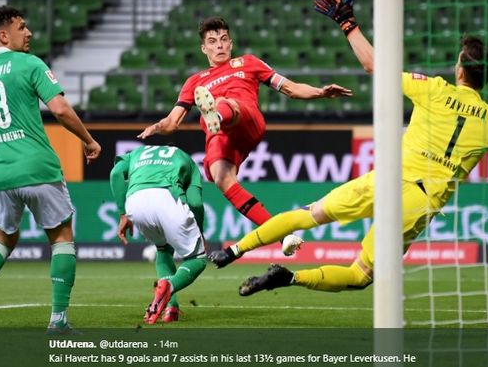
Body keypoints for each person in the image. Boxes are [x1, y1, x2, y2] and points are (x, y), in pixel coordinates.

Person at [209, 0, 488, 296]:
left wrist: (348, 25)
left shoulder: (434, 89)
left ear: (459, 69)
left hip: (386, 178)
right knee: (360, 275)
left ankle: (235, 249)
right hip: (419, 199)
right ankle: (291, 278)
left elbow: (374, 66)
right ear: (485, 78)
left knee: (309, 215)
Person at [0, 5, 102, 334]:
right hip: (37, 168)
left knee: (1, 239)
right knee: (61, 238)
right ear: (4, 35)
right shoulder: (30, 64)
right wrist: (88, 139)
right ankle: (58, 320)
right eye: (22, 27)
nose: (28, 33)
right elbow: (61, 109)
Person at [138, 17, 352, 255]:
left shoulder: (248, 63)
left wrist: (320, 92)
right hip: (220, 136)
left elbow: (290, 88)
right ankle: (283, 236)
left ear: (230, 43)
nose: (219, 45)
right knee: (221, 178)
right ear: (204, 48)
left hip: (245, 118)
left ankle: (216, 114)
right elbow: (172, 123)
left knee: (223, 103)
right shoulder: (194, 82)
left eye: (223, 40)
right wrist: (159, 127)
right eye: (212, 41)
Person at [111, 144, 207, 324]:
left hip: (136, 202)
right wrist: (200, 231)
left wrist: (123, 213)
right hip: (168, 197)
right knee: (198, 259)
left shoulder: (136, 153)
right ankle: (169, 287)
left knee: (163, 250)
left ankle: (171, 309)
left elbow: (115, 174)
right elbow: (195, 203)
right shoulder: (186, 158)